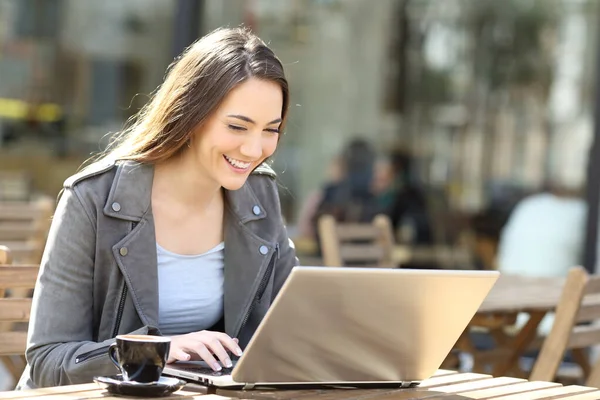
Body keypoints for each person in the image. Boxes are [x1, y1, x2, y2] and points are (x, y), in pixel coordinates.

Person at [18, 27, 298, 389]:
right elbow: (48, 360)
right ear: (191, 114)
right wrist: (157, 352)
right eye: (237, 127)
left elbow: (294, 322)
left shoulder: (259, 196)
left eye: (270, 130)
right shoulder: (93, 199)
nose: (253, 149)